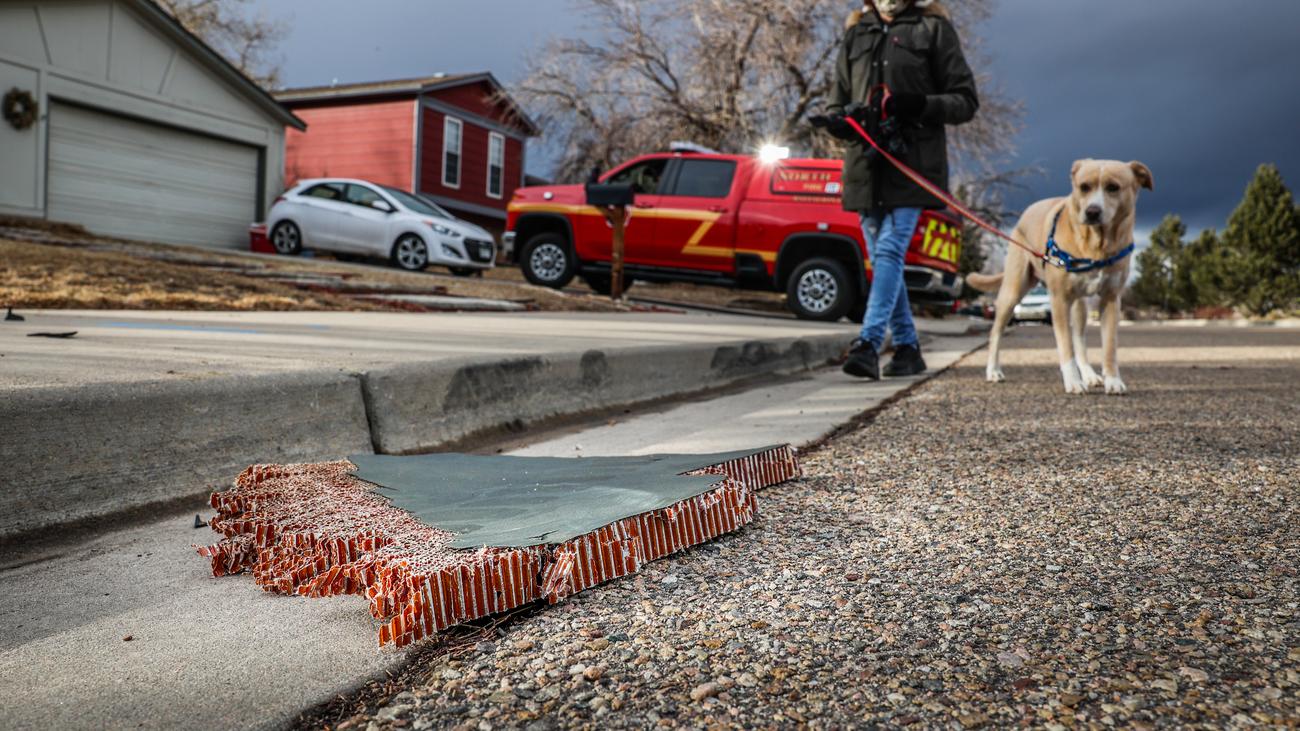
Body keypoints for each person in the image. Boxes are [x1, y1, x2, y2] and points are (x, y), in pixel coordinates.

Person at [823, 0, 979, 379]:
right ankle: (909, 348)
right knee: (883, 261)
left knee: (891, 250)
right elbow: (836, 98)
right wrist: (838, 120)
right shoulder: (855, 33)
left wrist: (920, 104)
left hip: (912, 165)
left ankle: (868, 343)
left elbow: (965, 101)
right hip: (865, 167)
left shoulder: (933, 30)